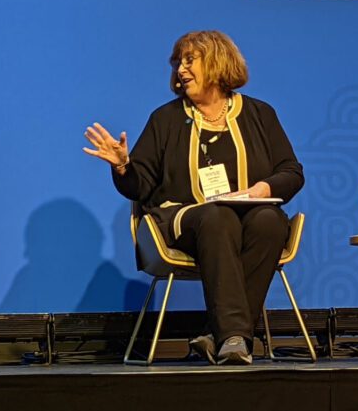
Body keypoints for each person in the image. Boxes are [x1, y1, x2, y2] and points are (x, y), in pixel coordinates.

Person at [84, 31, 304, 365]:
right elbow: (140, 187)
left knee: (270, 222)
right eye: (177, 63)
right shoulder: (166, 119)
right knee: (217, 216)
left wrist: (261, 190)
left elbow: (291, 171)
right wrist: (123, 166)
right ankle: (233, 336)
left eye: (189, 60)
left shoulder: (260, 114)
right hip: (183, 222)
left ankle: (219, 335)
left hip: (247, 219)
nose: (181, 69)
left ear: (217, 62)